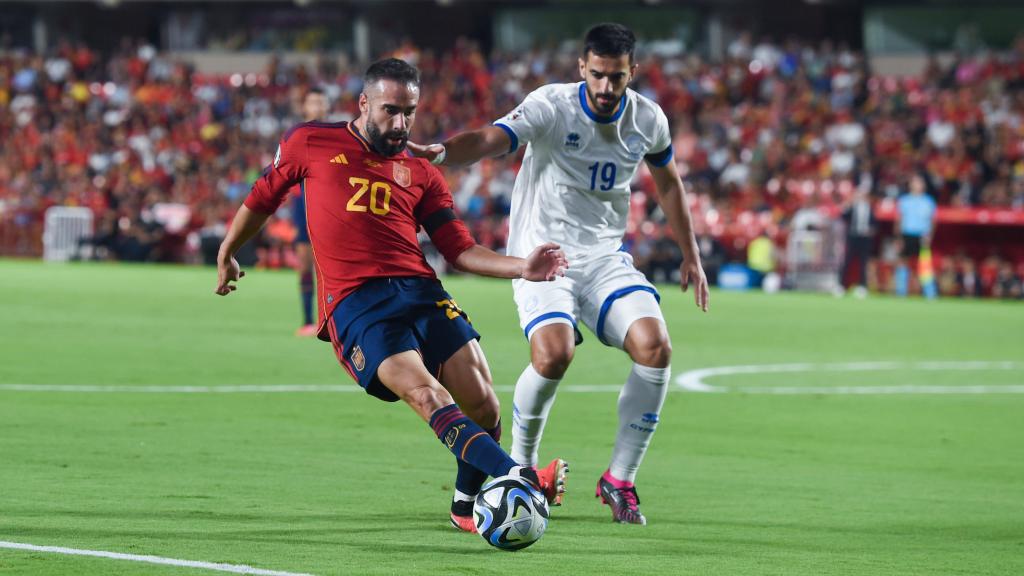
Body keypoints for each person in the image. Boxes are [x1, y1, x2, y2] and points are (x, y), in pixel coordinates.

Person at [214, 58, 569, 533]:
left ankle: (465, 507)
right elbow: (262, 198)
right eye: (390, 111)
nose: (400, 123)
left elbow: (459, 250)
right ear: (364, 103)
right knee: (426, 393)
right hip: (357, 302)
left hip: (421, 291)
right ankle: (518, 475)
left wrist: (522, 267)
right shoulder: (311, 142)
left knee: (484, 405)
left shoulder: (421, 171)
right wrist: (228, 249)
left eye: (410, 112)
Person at [409, 23, 710, 525]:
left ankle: (620, 479)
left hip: (603, 258)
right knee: (554, 353)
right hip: (541, 255)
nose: (606, 87)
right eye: (597, 75)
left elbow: (670, 183)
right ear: (582, 68)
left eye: (617, 77)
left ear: (632, 72)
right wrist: (443, 152)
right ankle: (523, 469)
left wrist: (691, 253)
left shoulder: (649, 120)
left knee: (656, 347)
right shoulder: (551, 104)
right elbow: (491, 137)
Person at [291, 87, 329, 337]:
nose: (316, 106)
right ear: (304, 107)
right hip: (301, 207)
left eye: (320, 102)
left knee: (328, 269)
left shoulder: (335, 137)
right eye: (312, 102)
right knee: (305, 265)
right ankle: (307, 321)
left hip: (326, 209)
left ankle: (329, 321)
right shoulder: (295, 137)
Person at [894, 173, 938, 297]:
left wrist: (929, 235)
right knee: (903, 262)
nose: (917, 184)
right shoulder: (904, 200)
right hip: (906, 234)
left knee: (925, 264)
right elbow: (899, 220)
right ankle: (901, 292)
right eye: (915, 182)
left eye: (920, 182)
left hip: (922, 235)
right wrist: (898, 238)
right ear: (910, 185)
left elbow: (933, 221)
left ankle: (930, 293)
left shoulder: (928, 201)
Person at [837, 188, 877, 298]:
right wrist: (847, 205)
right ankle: (841, 285)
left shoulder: (870, 209)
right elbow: (843, 217)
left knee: (863, 263)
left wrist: (871, 230)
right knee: (847, 261)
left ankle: (862, 286)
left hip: (865, 238)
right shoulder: (852, 208)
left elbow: (875, 224)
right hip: (853, 237)